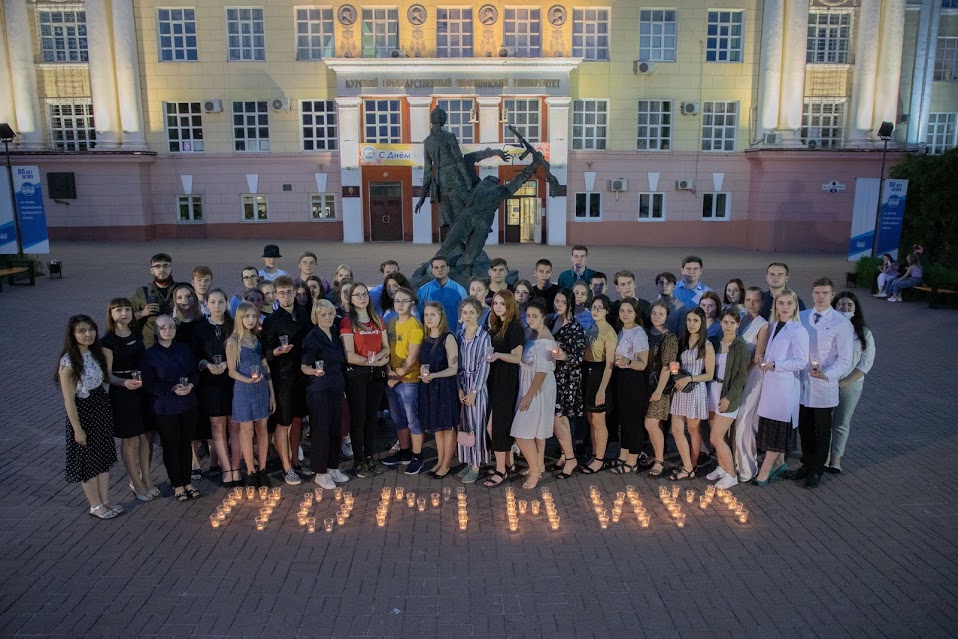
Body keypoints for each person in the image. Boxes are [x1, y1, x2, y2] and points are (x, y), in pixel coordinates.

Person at [57, 314, 120, 519]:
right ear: (72, 334)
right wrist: (77, 429)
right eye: (81, 331)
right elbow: (69, 401)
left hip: (99, 408)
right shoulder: (69, 363)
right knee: (88, 463)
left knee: (102, 459)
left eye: (90, 329)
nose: (87, 334)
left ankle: (105, 501)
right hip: (83, 413)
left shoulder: (95, 353)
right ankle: (95, 505)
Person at [793, 277, 853, 488]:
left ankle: (817, 470)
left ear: (832, 295)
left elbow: (846, 359)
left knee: (822, 430)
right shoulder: (802, 316)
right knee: (805, 428)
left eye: (825, 293)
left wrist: (827, 374)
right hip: (802, 383)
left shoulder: (841, 322)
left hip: (823, 386)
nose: (820, 297)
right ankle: (806, 464)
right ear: (812, 293)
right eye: (817, 292)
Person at [141, 315, 201, 502]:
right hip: (166, 407)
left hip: (188, 404)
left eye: (171, 326)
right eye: (163, 327)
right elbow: (148, 384)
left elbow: (194, 372)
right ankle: (177, 485)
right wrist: (171, 388)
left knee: (186, 443)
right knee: (171, 445)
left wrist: (191, 385)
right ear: (156, 331)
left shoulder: (183, 348)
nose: (168, 330)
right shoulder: (149, 354)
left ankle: (188, 482)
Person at [102, 298, 156, 501]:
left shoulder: (136, 333)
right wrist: (123, 383)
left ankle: (147, 479)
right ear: (111, 314)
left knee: (145, 438)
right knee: (130, 440)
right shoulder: (107, 341)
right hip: (122, 393)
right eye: (118, 310)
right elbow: (108, 375)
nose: (123, 313)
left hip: (140, 389)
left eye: (127, 309)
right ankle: (136, 482)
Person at [754, 290, 808, 485]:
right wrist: (765, 360)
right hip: (771, 384)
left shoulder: (798, 330)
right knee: (769, 425)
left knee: (777, 428)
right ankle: (780, 464)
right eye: (780, 303)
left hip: (785, 387)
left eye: (788, 303)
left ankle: (765, 470)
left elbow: (802, 362)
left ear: (795, 306)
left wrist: (776, 364)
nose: (784, 307)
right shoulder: (774, 325)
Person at [263, 275, 312, 485]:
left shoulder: (304, 314)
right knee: (283, 423)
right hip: (282, 378)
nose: (286, 296)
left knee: (298, 419)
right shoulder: (272, 320)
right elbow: (265, 352)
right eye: (281, 293)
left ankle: (296, 461)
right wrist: (277, 351)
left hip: (302, 376)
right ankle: (286, 467)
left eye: (289, 292)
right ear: (275, 295)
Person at [340, 282, 391, 478]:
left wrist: (377, 361)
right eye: (357, 295)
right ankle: (359, 460)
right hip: (357, 377)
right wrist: (369, 362)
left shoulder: (377, 319)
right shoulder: (348, 322)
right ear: (351, 300)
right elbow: (349, 355)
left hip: (376, 376)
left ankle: (370, 457)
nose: (362, 298)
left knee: (371, 418)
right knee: (358, 419)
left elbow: (386, 347)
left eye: (364, 294)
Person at [301, 299, 351, 489]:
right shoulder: (312, 338)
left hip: (336, 387)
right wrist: (315, 372)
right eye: (323, 314)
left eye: (330, 314)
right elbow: (304, 367)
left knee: (335, 429)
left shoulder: (335, 334)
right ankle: (320, 472)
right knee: (321, 430)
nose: (328, 317)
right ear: (316, 316)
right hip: (319, 389)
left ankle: (332, 467)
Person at [227, 302, 276, 488]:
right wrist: (246, 380)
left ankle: (262, 469)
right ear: (239, 318)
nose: (251, 320)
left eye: (253, 316)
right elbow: (231, 371)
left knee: (262, 428)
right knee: (246, 431)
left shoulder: (257, 339)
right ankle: (250, 470)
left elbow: (265, 366)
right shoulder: (233, 342)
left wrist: (271, 393)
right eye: (247, 316)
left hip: (261, 388)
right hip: (243, 389)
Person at [191, 289, 237, 487]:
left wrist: (228, 364)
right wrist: (206, 364)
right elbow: (194, 356)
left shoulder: (233, 325)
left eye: (220, 302)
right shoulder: (200, 328)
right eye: (213, 302)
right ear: (207, 305)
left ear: (226, 303)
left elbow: (242, 350)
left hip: (233, 381)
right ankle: (226, 469)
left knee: (235, 425)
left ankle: (235, 467)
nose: (217, 306)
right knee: (217, 426)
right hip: (211, 384)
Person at [510, 300, 557, 490]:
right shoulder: (531, 335)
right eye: (528, 315)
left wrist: (529, 395)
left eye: (534, 316)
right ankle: (538, 465)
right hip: (527, 385)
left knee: (521, 432)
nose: (530, 319)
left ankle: (535, 470)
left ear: (543, 318)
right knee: (536, 432)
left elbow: (542, 372)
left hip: (538, 388)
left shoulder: (546, 340)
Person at [828, 291, 876, 473]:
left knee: (841, 422)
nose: (845, 308)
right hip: (828, 381)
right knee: (824, 422)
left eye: (849, 305)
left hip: (851, 384)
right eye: (841, 304)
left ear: (856, 309)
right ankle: (823, 457)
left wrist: (846, 382)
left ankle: (835, 460)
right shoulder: (827, 328)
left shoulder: (864, 333)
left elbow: (866, 363)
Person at [704, 308, 750, 489]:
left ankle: (731, 475)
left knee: (716, 437)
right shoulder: (715, 343)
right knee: (714, 433)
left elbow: (741, 377)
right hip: (712, 389)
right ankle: (722, 467)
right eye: (725, 322)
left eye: (732, 322)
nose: (728, 326)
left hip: (728, 393)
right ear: (721, 323)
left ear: (738, 324)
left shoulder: (740, 347)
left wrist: (729, 398)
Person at [483, 290, 524, 487]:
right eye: (495, 303)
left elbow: (517, 358)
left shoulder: (514, 328)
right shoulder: (496, 326)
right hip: (495, 380)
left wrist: (498, 355)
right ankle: (509, 464)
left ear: (510, 306)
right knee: (496, 426)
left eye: (502, 304)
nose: (498, 307)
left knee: (496, 427)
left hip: (506, 381)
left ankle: (501, 470)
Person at [669, 307, 715, 481]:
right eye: (689, 320)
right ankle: (688, 465)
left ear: (702, 322)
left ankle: (691, 466)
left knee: (693, 430)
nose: (691, 324)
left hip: (695, 389)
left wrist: (689, 379)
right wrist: (676, 370)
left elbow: (709, 374)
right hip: (681, 389)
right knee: (676, 429)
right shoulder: (682, 341)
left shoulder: (707, 345)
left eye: (695, 320)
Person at [382, 287, 425, 474]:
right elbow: (385, 350)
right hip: (392, 378)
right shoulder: (390, 323)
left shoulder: (415, 326)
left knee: (413, 420)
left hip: (409, 381)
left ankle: (417, 456)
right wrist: (389, 372)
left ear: (412, 303)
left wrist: (396, 375)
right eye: (397, 301)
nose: (399, 304)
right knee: (398, 419)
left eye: (404, 301)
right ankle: (404, 452)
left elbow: (412, 357)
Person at [418, 302, 461, 479]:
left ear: (441, 316)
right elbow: (424, 362)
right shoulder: (426, 338)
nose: (428, 318)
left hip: (445, 387)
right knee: (437, 427)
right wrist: (423, 372)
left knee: (447, 427)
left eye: (432, 315)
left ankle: (447, 464)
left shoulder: (448, 337)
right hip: (430, 387)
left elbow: (453, 368)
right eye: (426, 315)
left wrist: (434, 375)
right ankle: (440, 460)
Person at [732, 286, 770, 482]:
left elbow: (757, 357)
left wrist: (740, 376)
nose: (752, 303)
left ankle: (748, 467)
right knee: (737, 421)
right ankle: (735, 464)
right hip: (737, 376)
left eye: (756, 300)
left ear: (762, 303)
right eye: (748, 299)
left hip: (751, 377)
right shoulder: (739, 318)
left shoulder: (763, 325)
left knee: (744, 421)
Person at [416, 107, 474, 230]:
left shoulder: (427, 142)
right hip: (455, 179)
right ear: (443, 120)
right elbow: (459, 160)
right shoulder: (449, 137)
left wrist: (422, 197)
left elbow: (427, 171)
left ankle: (455, 245)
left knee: (448, 218)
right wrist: (468, 182)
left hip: (441, 183)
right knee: (464, 212)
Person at [610, 298, 650, 473]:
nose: (625, 314)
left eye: (629, 311)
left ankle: (633, 458)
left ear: (635, 313)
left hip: (634, 378)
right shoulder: (621, 331)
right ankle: (623, 454)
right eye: (622, 311)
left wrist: (628, 361)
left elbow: (643, 363)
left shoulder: (638, 333)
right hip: (621, 378)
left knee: (633, 420)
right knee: (624, 419)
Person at [549, 288, 585, 478]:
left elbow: (580, 357)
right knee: (559, 419)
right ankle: (564, 455)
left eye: (563, 302)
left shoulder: (575, 327)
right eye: (557, 301)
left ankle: (571, 459)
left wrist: (565, 356)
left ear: (570, 304)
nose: (559, 304)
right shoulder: (553, 320)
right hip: (553, 376)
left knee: (559, 419)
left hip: (567, 378)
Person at [579, 294, 616, 474]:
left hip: (600, 374)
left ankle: (600, 458)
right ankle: (594, 453)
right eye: (593, 307)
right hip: (587, 372)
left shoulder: (609, 333)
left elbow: (609, 364)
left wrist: (602, 389)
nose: (595, 311)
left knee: (599, 420)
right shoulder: (591, 327)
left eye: (599, 308)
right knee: (591, 419)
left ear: (607, 311)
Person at [456, 297, 492, 484]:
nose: (468, 316)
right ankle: (468, 461)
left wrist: (474, 391)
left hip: (477, 387)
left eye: (471, 312)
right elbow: (456, 364)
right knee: (465, 424)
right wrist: (460, 388)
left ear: (478, 313)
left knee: (477, 425)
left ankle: (477, 464)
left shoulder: (484, 337)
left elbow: (484, 366)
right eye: (464, 312)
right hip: (463, 383)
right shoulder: (459, 336)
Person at [644, 302, 679, 477]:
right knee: (649, 424)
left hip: (661, 387)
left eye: (661, 314)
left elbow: (667, 366)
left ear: (667, 316)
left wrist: (659, 390)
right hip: (644, 385)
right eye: (654, 313)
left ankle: (659, 460)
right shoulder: (645, 333)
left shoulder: (670, 338)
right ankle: (653, 455)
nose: (657, 316)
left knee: (651, 423)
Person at [129, 253, 177, 347]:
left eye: (166, 265)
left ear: (171, 268)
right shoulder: (141, 293)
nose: (162, 270)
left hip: (177, 345)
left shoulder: (181, 290)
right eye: (157, 266)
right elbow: (124, 317)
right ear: (151, 270)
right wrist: (142, 313)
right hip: (149, 346)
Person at [417, 256, 467, 323]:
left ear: (448, 269)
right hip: (431, 331)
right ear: (432, 271)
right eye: (436, 267)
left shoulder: (459, 290)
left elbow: (465, 313)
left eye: (442, 267)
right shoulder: (423, 291)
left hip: (454, 331)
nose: (439, 270)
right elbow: (418, 315)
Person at [652, 271, 688, 336]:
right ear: (657, 285)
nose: (664, 286)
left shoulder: (681, 308)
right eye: (661, 283)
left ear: (674, 286)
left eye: (668, 283)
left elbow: (682, 334)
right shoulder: (650, 305)